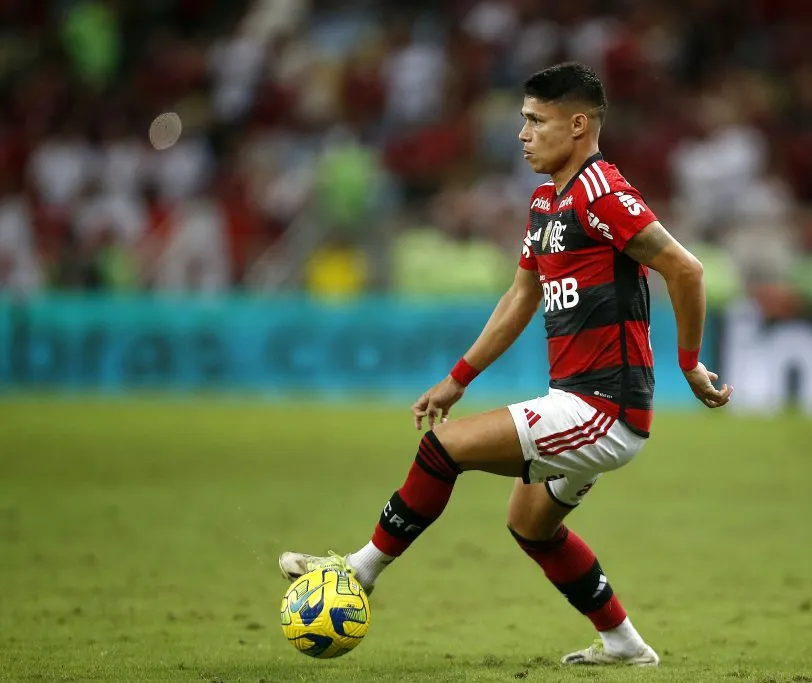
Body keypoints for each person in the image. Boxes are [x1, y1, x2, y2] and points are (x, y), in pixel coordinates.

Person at [280, 62, 733, 667]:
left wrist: (690, 364)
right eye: (522, 119)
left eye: (534, 121)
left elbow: (687, 269)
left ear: (577, 125)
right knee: (530, 526)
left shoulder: (602, 194)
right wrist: (455, 380)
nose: (521, 134)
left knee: (444, 450)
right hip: (576, 397)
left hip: (605, 409)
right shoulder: (548, 199)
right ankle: (626, 645)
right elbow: (521, 297)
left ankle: (358, 573)